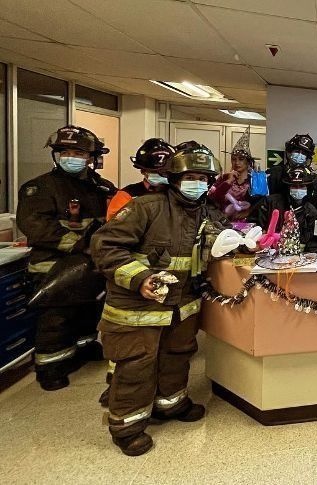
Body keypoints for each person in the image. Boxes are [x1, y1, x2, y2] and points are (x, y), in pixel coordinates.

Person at [91, 143, 228, 456]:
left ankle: (171, 403)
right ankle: (127, 425)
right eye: (191, 176)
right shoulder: (145, 207)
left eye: (204, 177)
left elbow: (224, 240)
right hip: (138, 307)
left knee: (177, 356)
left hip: (182, 306)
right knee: (137, 364)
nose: (198, 183)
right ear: (175, 178)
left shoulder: (207, 213)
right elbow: (105, 247)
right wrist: (140, 279)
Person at [17, 125, 116, 391]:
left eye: (79, 152)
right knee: (56, 318)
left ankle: (83, 349)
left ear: (91, 157)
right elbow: (36, 225)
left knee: (87, 310)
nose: (73, 157)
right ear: (57, 155)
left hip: (90, 265)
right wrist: (78, 244)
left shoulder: (101, 188)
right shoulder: (39, 188)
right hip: (54, 266)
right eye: (67, 151)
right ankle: (50, 367)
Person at [101, 138, 175, 407]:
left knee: (166, 352)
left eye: (168, 173)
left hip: (170, 291)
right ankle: (117, 393)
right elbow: (110, 242)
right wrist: (138, 277)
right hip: (132, 288)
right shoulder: (129, 198)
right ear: (143, 171)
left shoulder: (178, 199)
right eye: (156, 172)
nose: (161, 177)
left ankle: (166, 402)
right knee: (130, 354)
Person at [250, 165, 317, 254]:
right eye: (294, 186)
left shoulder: (311, 212)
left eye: (301, 186)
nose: (298, 189)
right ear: (288, 187)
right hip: (266, 253)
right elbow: (253, 226)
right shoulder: (270, 202)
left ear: (308, 189)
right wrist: (256, 241)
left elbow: (313, 241)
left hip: (296, 255)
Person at [107, 138, 175, 220]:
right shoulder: (126, 196)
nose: (160, 175)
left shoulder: (178, 193)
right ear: (143, 170)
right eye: (154, 172)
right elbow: (114, 228)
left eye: (164, 171)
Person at [208, 133, 258, 221]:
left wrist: (249, 211)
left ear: (248, 162)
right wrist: (228, 182)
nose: (237, 162)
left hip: (247, 222)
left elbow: (260, 202)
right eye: (234, 159)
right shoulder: (224, 178)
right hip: (222, 221)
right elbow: (213, 198)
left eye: (241, 159)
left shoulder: (254, 180)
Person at [267, 133, 317, 203]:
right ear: (289, 152)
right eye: (297, 151)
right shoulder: (274, 173)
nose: (299, 155)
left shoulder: (313, 178)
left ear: (308, 157)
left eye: (304, 153)